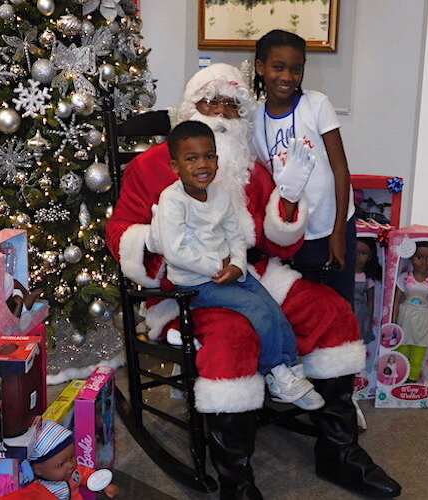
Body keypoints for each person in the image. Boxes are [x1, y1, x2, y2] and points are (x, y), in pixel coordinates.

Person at [106, 63, 401, 498]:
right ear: (191, 107)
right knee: (234, 337)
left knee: (330, 310)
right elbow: (121, 233)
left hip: (251, 274)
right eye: (211, 102)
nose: (221, 114)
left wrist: (288, 198)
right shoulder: (150, 169)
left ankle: (338, 451)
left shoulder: (247, 167)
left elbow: (277, 244)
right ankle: (236, 480)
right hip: (184, 288)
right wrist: (166, 245)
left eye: (231, 105)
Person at [156, 120, 324, 410]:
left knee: (270, 304)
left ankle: (290, 366)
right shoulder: (172, 200)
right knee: (255, 310)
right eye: (192, 159)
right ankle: (276, 371)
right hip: (196, 281)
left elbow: (235, 234)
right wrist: (215, 267)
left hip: (230, 270)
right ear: (175, 166)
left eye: (209, 156)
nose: (202, 165)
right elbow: (176, 252)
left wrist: (237, 264)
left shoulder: (221, 193)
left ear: (217, 159)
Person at [251, 29, 356, 304]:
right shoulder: (253, 118)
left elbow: (340, 169)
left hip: (331, 224)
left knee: (338, 304)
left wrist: (338, 233)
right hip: (292, 232)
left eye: (296, 70)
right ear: (261, 67)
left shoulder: (316, 104)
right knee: (300, 305)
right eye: (278, 67)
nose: (287, 77)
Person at [2, 420, 120, 499]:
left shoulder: (73, 473)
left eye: (72, 457)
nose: (70, 465)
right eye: (61, 464)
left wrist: (103, 486)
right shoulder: (40, 490)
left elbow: (85, 474)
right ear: (38, 469)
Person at [392, 241, 428, 382]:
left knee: (419, 351)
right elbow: (396, 301)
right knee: (402, 348)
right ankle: (398, 376)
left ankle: (413, 379)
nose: (424, 262)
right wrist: (394, 322)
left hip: (424, 319)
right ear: (411, 257)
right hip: (405, 316)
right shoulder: (404, 278)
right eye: (419, 257)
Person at [355, 238, 383, 344]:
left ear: (369, 257)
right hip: (345, 310)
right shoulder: (345, 274)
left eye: (363, 254)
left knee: (359, 337)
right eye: (355, 251)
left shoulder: (367, 279)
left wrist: (370, 319)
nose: (357, 257)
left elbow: (370, 302)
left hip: (361, 314)